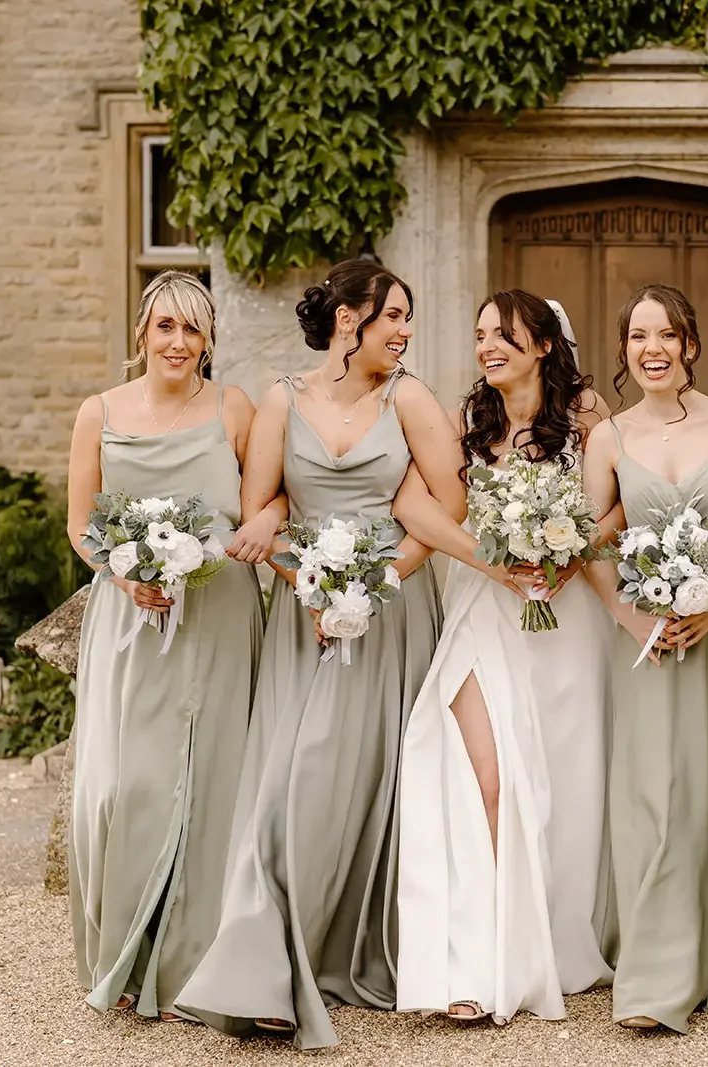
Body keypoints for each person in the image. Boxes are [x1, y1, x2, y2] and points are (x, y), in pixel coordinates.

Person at [176, 259, 466, 1049]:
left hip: (390, 614)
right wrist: (309, 582)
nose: (405, 331)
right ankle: (266, 965)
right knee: (289, 781)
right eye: (393, 316)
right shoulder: (282, 399)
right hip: (303, 616)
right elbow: (258, 508)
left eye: (407, 317)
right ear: (348, 320)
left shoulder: (409, 399)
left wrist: (375, 585)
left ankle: (339, 949)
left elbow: (449, 507)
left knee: (367, 780)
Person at [394, 290, 616, 1025]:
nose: (487, 345)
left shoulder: (586, 417)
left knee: (562, 785)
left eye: (505, 334)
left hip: (566, 622)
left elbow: (621, 502)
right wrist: (490, 562)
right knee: (482, 776)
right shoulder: (467, 420)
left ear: (545, 345)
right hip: (482, 611)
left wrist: (573, 551)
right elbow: (412, 506)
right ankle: (477, 957)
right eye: (481, 333)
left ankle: (548, 938)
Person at [580, 284, 708, 1033]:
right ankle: (657, 973)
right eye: (638, 336)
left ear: (690, 344)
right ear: (626, 350)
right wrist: (633, 620)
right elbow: (592, 548)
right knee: (655, 797)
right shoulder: (609, 439)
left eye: (666, 334)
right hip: (649, 647)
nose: (652, 348)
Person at [66, 269, 264, 1022]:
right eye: (165, 326)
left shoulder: (233, 408)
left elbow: (268, 496)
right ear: (142, 333)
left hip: (221, 612)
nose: (178, 342)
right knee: (128, 784)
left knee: (217, 779)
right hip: (132, 620)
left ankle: (202, 961)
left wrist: (262, 525)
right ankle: (126, 951)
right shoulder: (99, 412)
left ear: (208, 339)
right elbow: (82, 525)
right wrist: (126, 577)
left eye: (192, 328)